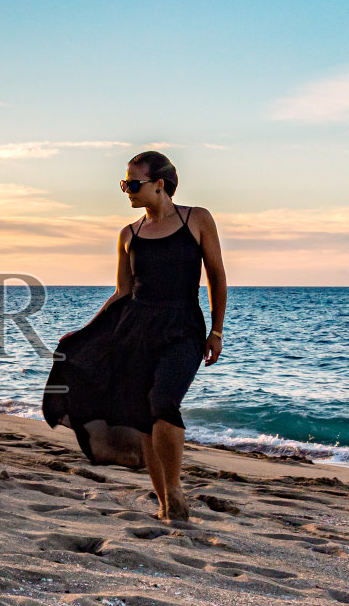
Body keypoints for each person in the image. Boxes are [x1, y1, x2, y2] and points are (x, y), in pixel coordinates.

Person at [41, 150, 227, 521]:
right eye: (123, 183)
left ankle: (174, 489)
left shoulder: (198, 220)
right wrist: (85, 331)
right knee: (144, 416)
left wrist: (217, 330)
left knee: (163, 401)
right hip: (135, 332)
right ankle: (165, 504)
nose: (127, 189)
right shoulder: (129, 234)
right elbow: (122, 292)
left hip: (183, 329)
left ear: (160, 185)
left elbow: (217, 276)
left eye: (133, 183)